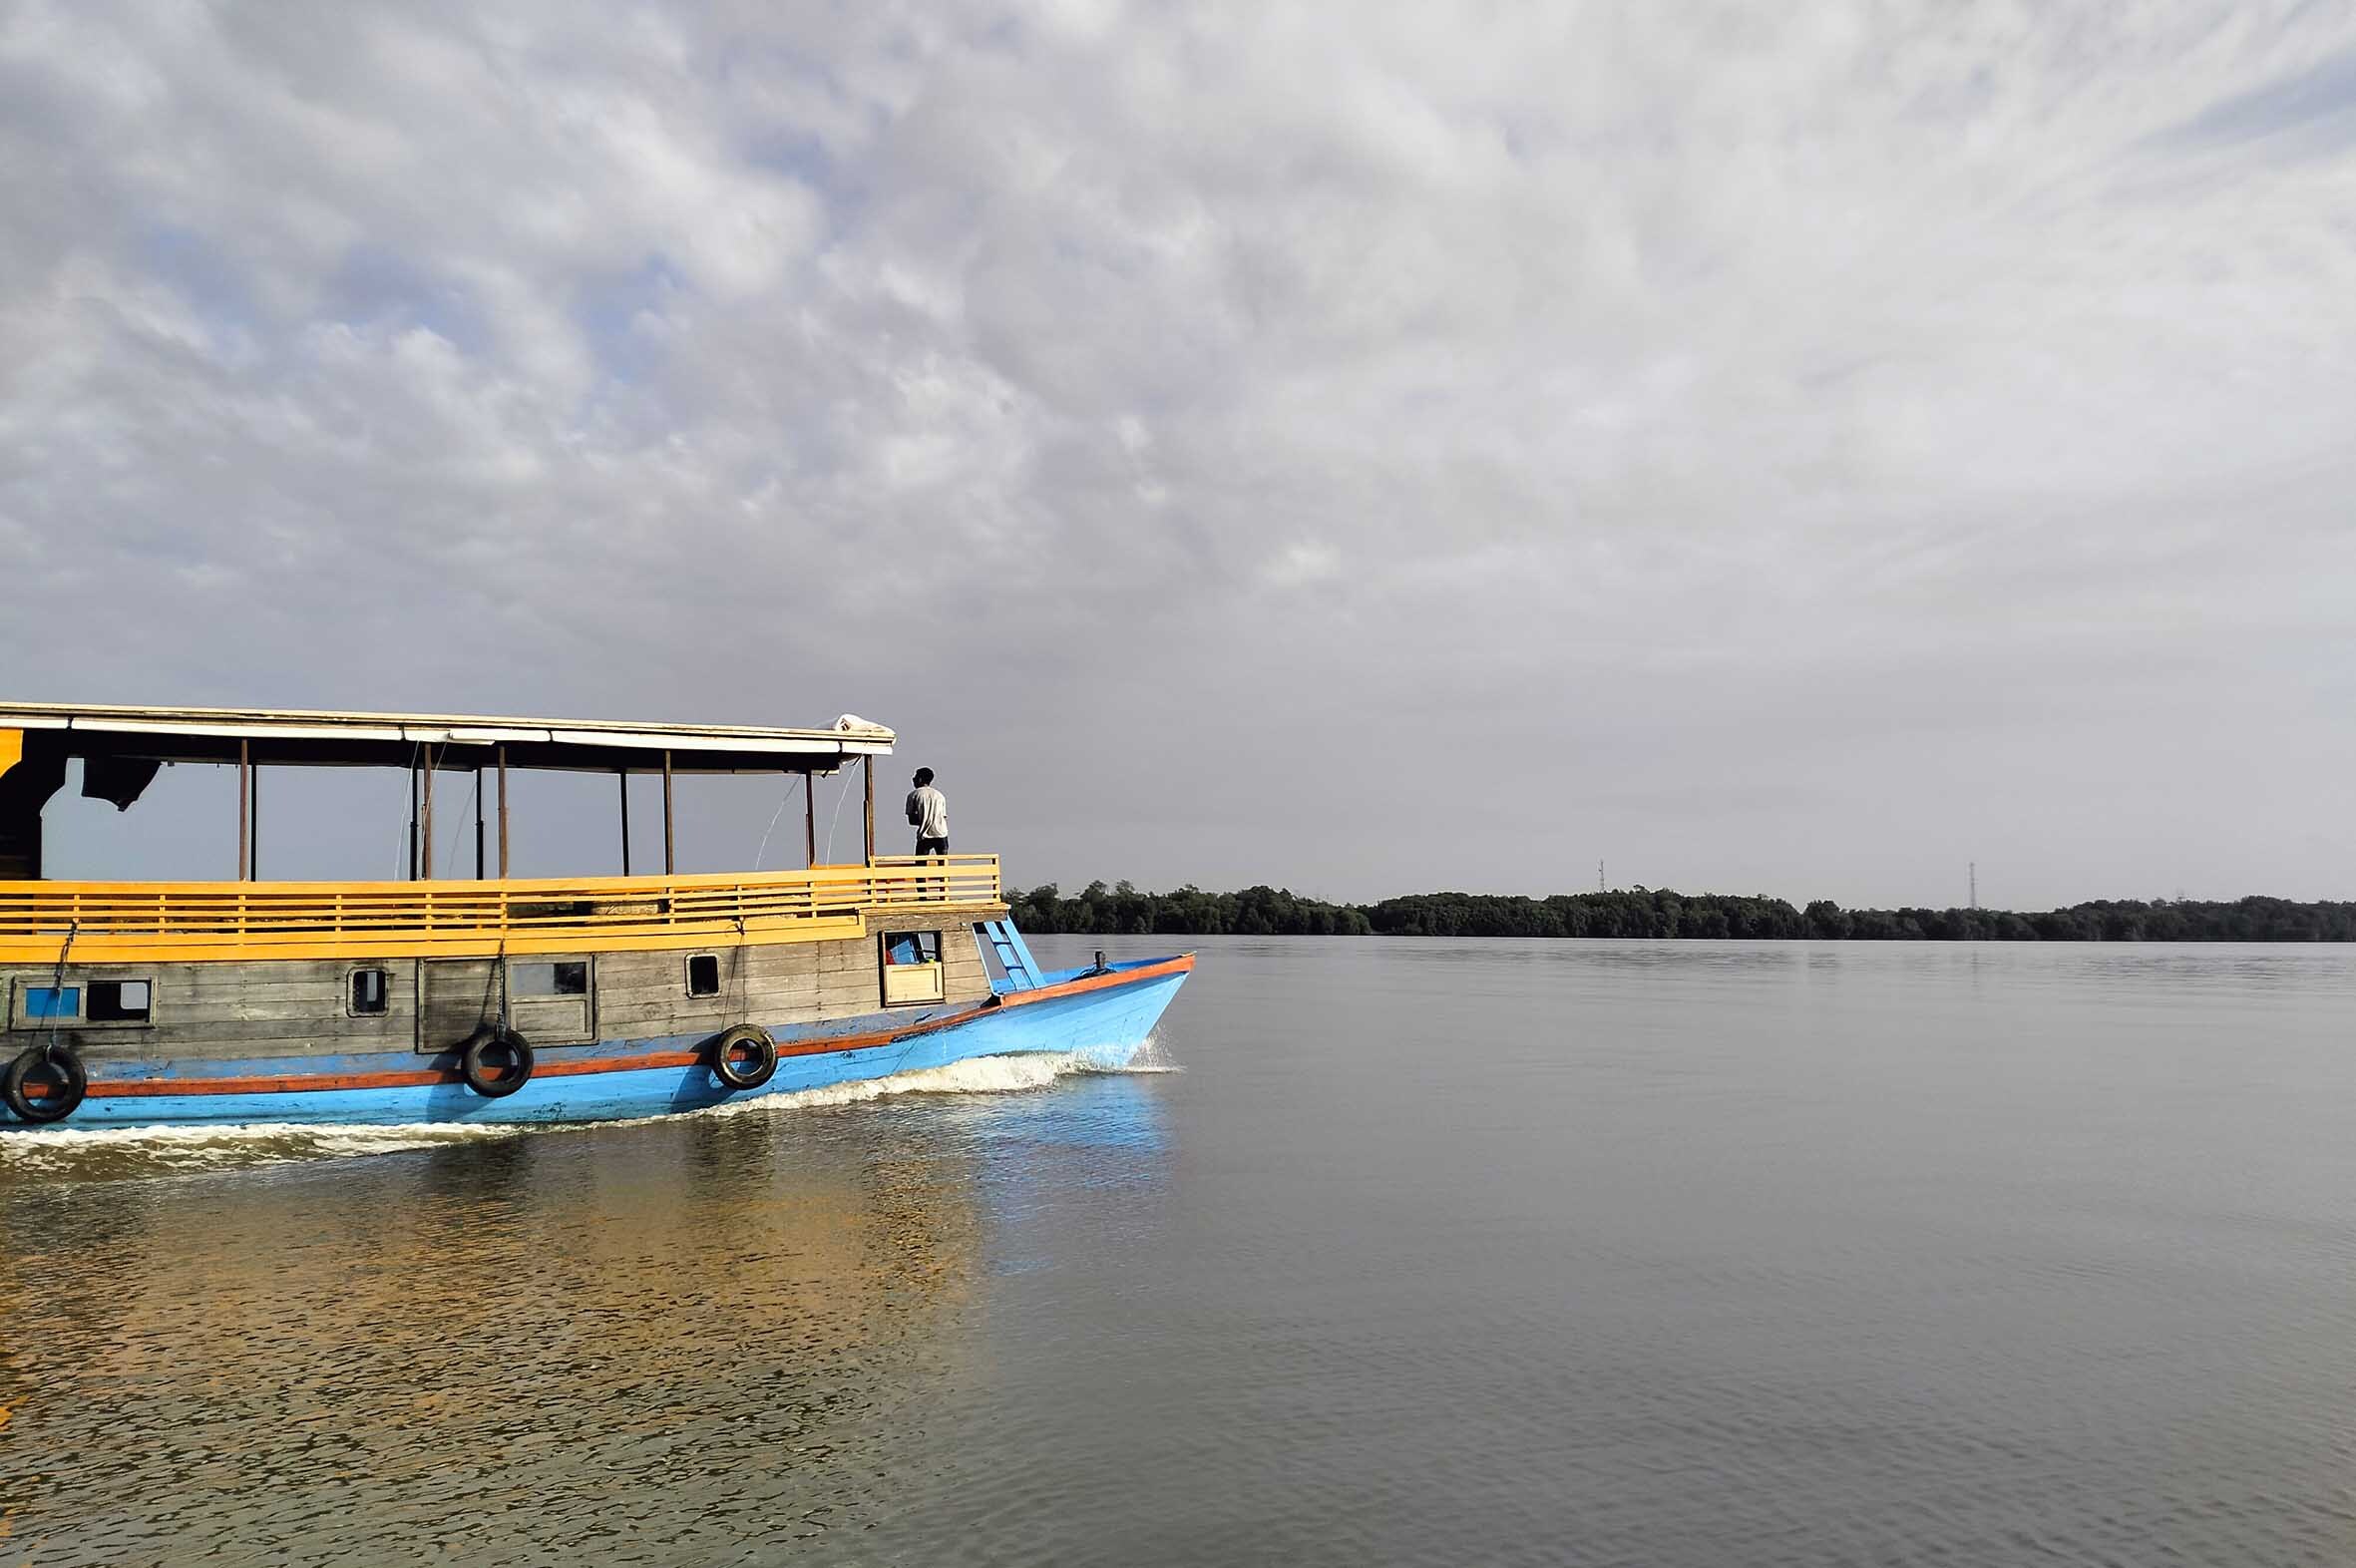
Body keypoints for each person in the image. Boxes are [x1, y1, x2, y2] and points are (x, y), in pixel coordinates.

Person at [906, 767, 949, 856]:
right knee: (943, 862)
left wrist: (924, 818)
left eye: (915, 778)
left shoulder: (913, 795)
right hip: (941, 833)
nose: (913, 780)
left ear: (920, 779)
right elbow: (942, 817)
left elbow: (911, 820)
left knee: (921, 863)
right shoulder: (940, 796)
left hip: (924, 835)